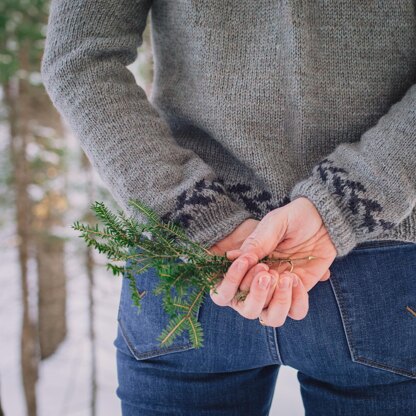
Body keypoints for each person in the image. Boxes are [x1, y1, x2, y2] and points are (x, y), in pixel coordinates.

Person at [41, 1, 416, 414]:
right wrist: (346, 201)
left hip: (193, 259)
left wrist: (193, 211)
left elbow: (77, 57)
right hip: (379, 256)